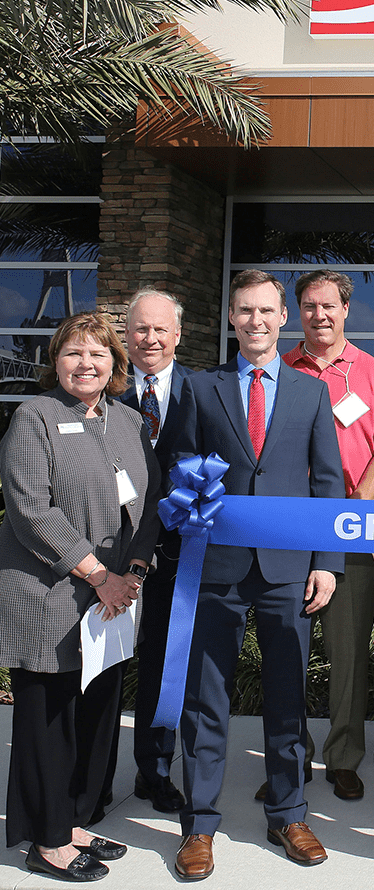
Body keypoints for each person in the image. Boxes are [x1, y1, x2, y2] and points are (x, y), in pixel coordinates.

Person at [172, 269, 346, 880]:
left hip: (287, 571)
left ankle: (289, 811)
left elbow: (328, 483)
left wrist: (328, 563)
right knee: (207, 699)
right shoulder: (200, 386)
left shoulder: (309, 392)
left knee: (287, 697)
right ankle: (199, 823)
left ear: (283, 318)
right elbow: (179, 463)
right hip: (216, 566)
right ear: (231, 319)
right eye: (245, 310)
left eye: (267, 311)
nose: (256, 321)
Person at [0, 311, 161, 880]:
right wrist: (100, 576)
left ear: (117, 364)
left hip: (114, 598)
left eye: (98, 353)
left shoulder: (128, 421)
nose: (86, 363)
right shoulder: (34, 416)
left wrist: (133, 572)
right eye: (73, 353)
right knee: (50, 716)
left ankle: (68, 820)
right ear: (55, 361)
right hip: (50, 595)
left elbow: (150, 502)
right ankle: (45, 842)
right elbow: (30, 509)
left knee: (93, 711)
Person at [282, 270, 374, 802]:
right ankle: (288, 755)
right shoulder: (279, 369)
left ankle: (344, 756)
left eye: (328, 306)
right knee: (288, 650)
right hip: (286, 533)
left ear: (346, 309)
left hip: (349, 531)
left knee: (348, 653)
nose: (319, 315)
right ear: (297, 312)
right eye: (309, 306)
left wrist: (352, 516)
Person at [121, 288, 195, 816]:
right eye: (141, 329)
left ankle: (157, 768)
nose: (151, 339)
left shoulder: (203, 389)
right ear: (126, 334)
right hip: (112, 554)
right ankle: (90, 772)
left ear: (177, 334)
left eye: (160, 329)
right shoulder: (105, 390)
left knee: (165, 662)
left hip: (182, 555)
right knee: (107, 666)